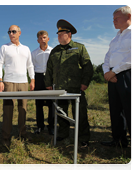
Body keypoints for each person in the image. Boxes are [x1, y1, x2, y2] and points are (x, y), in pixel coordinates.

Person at [44, 19, 93, 147]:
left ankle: (83, 137)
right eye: (58, 34)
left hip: (77, 87)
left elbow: (88, 67)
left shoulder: (79, 48)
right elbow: (48, 68)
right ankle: (63, 134)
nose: (59, 36)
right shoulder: (55, 51)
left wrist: (85, 83)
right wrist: (48, 83)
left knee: (80, 113)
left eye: (62, 34)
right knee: (61, 113)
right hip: (60, 88)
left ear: (69, 34)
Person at [0, 25, 35, 147]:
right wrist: (0, 80)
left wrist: (32, 79)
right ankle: (6, 137)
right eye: (9, 32)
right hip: (8, 82)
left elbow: (30, 65)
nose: (11, 34)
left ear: (19, 33)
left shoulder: (26, 49)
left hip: (23, 82)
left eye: (13, 31)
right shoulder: (4, 47)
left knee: (22, 110)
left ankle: (22, 134)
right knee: (8, 110)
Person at [101, 6, 133, 148]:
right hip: (113, 75)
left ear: (128, 17)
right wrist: (107, 72)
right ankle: (119, 140)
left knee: (130, 109)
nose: (113, 21)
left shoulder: (133, 34)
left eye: (116, 19)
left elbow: (132, 58)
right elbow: (108, 57)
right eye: (113, 19)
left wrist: (114, 72)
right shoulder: (115, 38)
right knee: (115, 109)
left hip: (128, 74)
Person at [31, 30, 54, 135]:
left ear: (48, 39)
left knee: (51, 104)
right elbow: (31, 68)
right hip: (38, 77)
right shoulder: (34, 53)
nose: (42, 40)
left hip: (50, 78)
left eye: (44, 37)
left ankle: (51, 127)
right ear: (37, 40)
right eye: (40, 38)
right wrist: (33, 80)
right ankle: (40, 126)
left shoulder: (53, 51)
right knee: (39, 104)